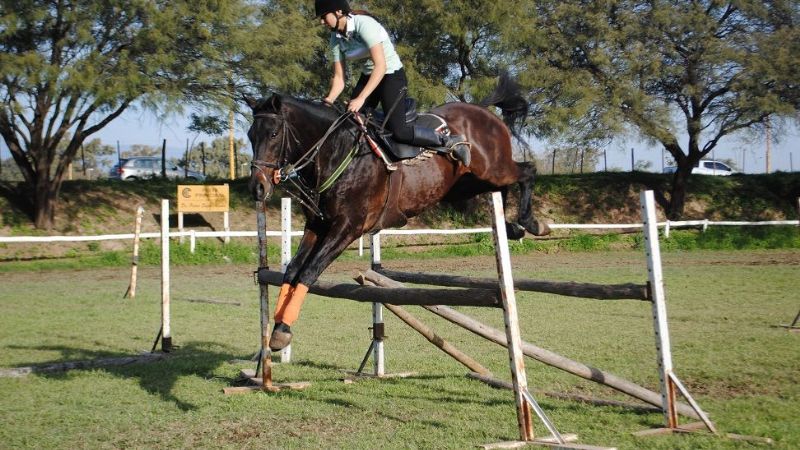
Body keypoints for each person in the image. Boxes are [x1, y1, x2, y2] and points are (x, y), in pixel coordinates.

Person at [316, 0, 471, 166]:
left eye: (324, 17)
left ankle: (448, 141)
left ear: (338, 12)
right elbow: (339, 78)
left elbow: (381, 66)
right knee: (348, 121)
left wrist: (361, 98)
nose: (321, 22)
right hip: (369, 75)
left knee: (399, 131)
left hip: (391, 75)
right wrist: (327, 102)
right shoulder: (335, 38)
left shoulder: (365, 25)